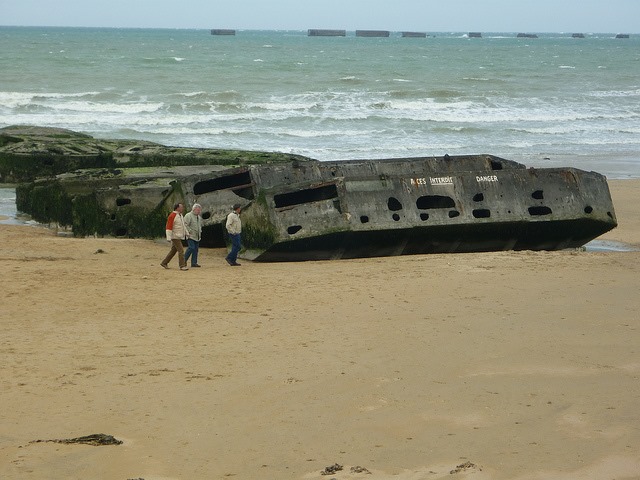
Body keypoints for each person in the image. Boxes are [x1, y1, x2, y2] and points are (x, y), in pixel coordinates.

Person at [160, 202, 189, 271]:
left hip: (178, 235)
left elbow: (183, 226)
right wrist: (168, 237)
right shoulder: (172, 215)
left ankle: (164, 262)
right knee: (181, 250)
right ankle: (182, 265)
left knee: (173, 251)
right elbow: (169, 227)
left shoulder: (180, 215)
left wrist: (186, 233)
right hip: (175, 236)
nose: (182, 208)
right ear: (177, 208)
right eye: (181, 207)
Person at [184, 203, 202, 268]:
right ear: (194, 209)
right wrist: (189, 232)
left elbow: (199, 226)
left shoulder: (199, 217)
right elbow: (185, 225)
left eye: (199, 210)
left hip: (197, 236)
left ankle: (194, 263)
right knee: (191, 247)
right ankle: (183, 260)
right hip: (190, 235)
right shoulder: (188, 215)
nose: (199, 211)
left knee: (196, 249)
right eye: (198, 210)